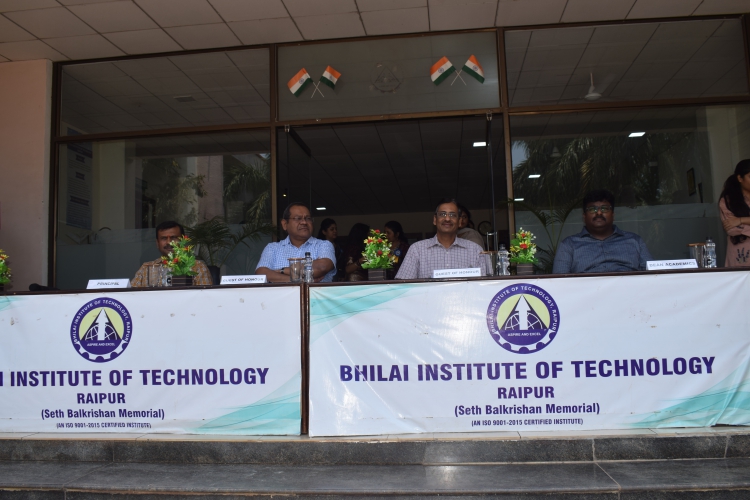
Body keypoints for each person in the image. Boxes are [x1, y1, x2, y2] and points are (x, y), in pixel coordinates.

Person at [553, 190, 652, 274]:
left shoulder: (635, 241)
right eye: (592, 209)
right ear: (584, 216)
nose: (599, 213)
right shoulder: (569, 245)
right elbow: (559, 282)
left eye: (604, 208)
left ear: (613, 214)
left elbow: (653, 275)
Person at [396, 198, 486, 279]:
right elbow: (402, 286)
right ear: (435, 220)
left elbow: (486, 286)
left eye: (452, 215)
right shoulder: (417, 250)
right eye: (442, 214)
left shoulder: (476, 251)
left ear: (459, 221)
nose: (447, 219)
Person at [256, 202, 336, 282]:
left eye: (308, 218)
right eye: (298, 218)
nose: (304, 222)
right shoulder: (273, 248)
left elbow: (322, 267)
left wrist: (282, 271)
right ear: (285, 224)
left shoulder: (323, 245)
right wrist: (300, 281)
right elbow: (261, 274)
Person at [132, 221, 212, 287]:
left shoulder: (197, 267)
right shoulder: (146, 269)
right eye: (164, 238)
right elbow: (130, 296)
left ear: (183, 241)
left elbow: (205, 297)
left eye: (174, 237)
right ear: (157, 243)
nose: (169, 242)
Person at [720, 159, 750, 267]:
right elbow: (731, 229)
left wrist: (741, 220)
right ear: (740, 178)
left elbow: (738, 225)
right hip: (740, 255)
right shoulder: (728, 201)